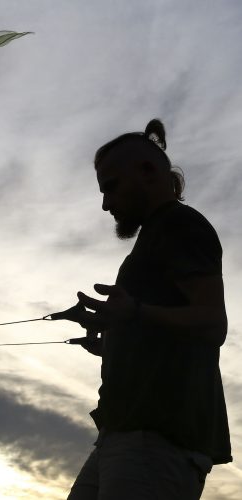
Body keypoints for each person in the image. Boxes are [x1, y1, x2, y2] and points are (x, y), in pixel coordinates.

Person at [66, 119, 232, 500]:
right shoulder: (156, 236)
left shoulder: (180, 225)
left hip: (156, 439)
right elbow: (162, 329)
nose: (106, 203)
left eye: (111, 187)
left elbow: (212, 323)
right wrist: (113, 340)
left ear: (148, 172)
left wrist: (136, 313)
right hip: (123, 433)